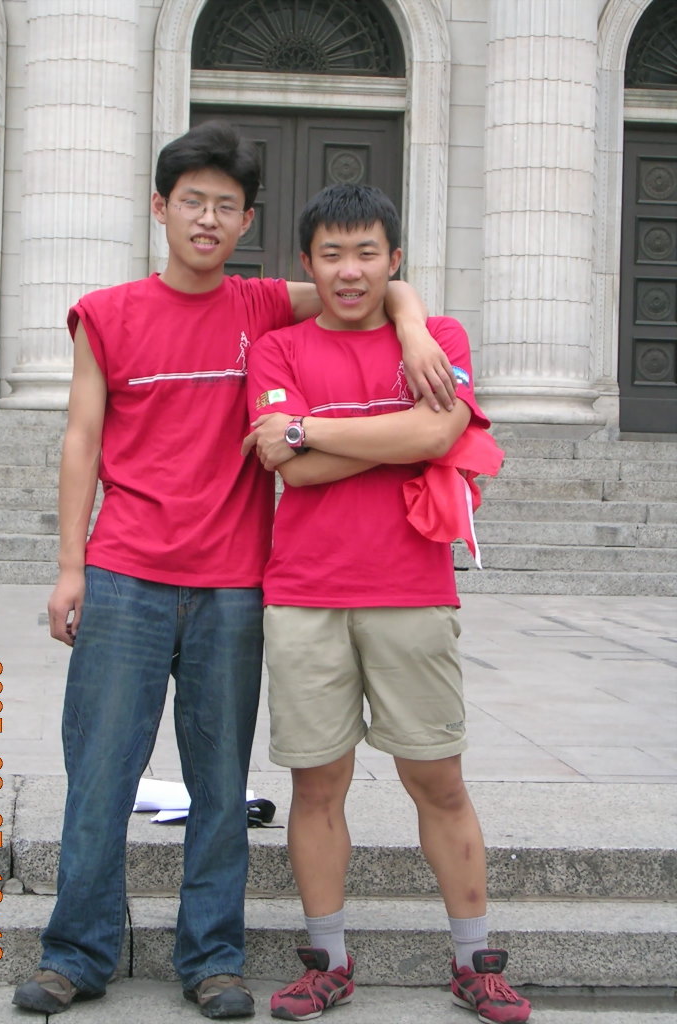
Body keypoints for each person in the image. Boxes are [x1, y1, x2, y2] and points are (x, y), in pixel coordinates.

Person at [11, 122, 456, 1020]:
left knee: (220, 786)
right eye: (192, 202)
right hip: (125, 575)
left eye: (226, 206)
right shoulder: (106, 313)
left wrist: (411, 326)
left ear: (246, 221)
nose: (207, 220)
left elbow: (364, 277)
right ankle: (76, 954)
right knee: (100, 775)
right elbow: (81, 440)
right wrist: (69, 567)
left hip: (234, 585)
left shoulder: (259, 307)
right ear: (160, 208)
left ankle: (211, 959)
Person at [242, 184, 531, 1024]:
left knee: (438, 779)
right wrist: (390, 435)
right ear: (307, 263)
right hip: (305, 594)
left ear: (394, 260)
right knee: (316, 785)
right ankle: (327, 961)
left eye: (367, 252)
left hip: (411, 591)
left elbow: (438, 435)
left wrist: (312, 428)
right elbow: (288, 470)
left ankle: (475, 962)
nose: (350, 270)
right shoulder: (279, 348)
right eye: (331, 254)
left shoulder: (438, 339)